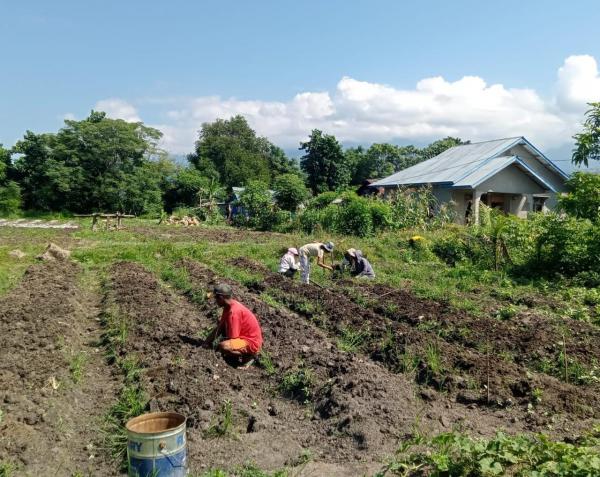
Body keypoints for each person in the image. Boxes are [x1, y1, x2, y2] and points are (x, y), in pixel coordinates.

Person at [203, 283, 263, 367]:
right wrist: (206, 342)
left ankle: (249, 355)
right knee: (223, 331)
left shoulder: (234, 313)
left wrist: (218, 349)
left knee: (224, 346)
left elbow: (233, 337)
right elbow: (220, 327)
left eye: (216, 299)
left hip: (251, 342)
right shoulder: (228, 306)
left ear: (221, 298)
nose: (215, 302)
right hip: (245, 338)